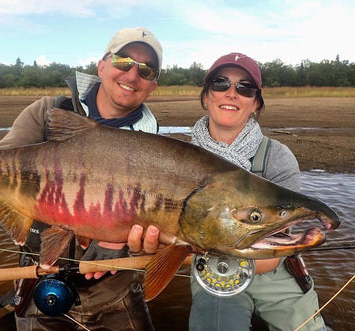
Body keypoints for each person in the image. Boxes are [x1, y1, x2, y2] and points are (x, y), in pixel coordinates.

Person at [0, 27, 163, 330]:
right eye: (123, 61)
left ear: (153, 85)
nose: (133, 74)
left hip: (115, 293)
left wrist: (133, 245)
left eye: (146, 70)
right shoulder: (47, 112)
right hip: (40, 284)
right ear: (102, 66)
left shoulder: (152, 147)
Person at [128, 52, 328, 330]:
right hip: (212, 272)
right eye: (220, 84)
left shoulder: (278, 157)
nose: (231, 93)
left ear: (256, 103)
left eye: (244, 88)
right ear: (207, 96)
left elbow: (273, 257)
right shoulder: (176, 158)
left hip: (270, 268)